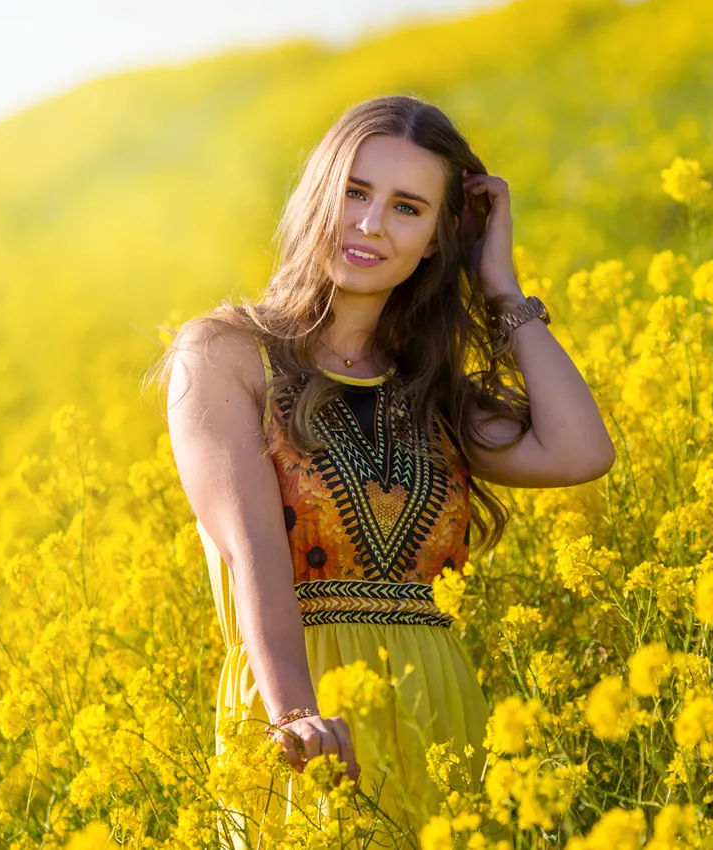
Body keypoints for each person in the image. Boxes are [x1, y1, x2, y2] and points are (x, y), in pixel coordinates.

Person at [144, 94, 616, 847]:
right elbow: (251, 551)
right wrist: (295, 715)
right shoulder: (226, 354)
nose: (369, 225)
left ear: (436, 239)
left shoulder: (431, 390)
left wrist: (500, 284)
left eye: (407, 207)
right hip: (300, 715)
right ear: (318, 196)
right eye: (355, 193)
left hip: (440, 718)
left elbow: (582, 451)